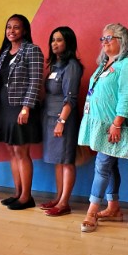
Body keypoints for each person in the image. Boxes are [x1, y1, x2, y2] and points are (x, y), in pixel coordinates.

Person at [78, 23, 128, 232]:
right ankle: (113, 207)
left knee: (102, 165)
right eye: (102, 39)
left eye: (109, 38)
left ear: (122, 42)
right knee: (110, 165)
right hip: (100, 124)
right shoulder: (104, 64)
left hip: (113, 126)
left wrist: (117, 123)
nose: (104, 42)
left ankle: (91, 212)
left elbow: (127, 96)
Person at [0, 14, 43, 210]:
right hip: (5, 107)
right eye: (8, 27)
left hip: (22, 109)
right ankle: (16, 192)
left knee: (21, 152)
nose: (11, 31)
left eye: (16, 27)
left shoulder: (32, 50)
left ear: (24, 30)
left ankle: (26, 196)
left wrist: (26, 107)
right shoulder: (5, 52)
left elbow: (35, 81)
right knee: (12, 151)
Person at [39, 26, 83, 217]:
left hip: (62, 119)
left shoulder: (71, 65)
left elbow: (70, 98)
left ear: (68, 43)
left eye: (59, 40)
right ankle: (58, 197)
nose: (54, 44)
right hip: (49, 118)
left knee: (66, 161)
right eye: (53, 40)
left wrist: (61, 121)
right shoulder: (55, 66)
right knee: (58, 160)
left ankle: (65, 202)